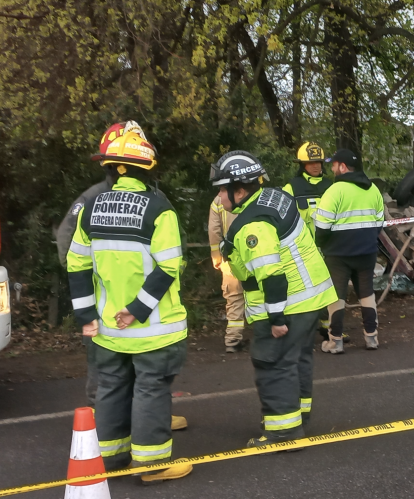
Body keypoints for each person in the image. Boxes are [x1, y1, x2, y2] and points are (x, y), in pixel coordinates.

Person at [66, 131, 192, 483]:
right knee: (150, 389)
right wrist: (137, 309)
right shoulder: (159, 210)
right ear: (146, 169)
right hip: (153, 329)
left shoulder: (90, 209)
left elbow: (76, 265)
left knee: (110, 387)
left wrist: (86, 317)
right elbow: (169, 266)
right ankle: (152, 467)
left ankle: (110, 456)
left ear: (113, 169)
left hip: (106, 329)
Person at [211, 150, 337, 447]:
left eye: (221, 190)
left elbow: (272, 275)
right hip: (310, 299)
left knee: (272, 363)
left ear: (239, 190)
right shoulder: (274, 197)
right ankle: (298, 416)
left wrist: (277, 319)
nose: (218, 198)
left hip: (287, 306)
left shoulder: (253, 225)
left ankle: (282, 431)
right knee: (298, 359)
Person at [314, 148, 385, 354]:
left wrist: (323, 245)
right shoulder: (372, 189)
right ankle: (371, 338)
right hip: (367, 251)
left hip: (338, 254)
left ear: (343, 167)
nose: (331, 168)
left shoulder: (334, 191)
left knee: (337, 296)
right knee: (367, 293)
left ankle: (335, 341)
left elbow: (322, 226)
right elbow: (379, 222)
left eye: (334, 165)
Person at [282, 141, 337, 339]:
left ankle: (329, 327)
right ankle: (301, 329)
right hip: (302, 250)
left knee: (329, 287)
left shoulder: (331, 186)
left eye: (319, 162)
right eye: (311, 163)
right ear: (302, 164)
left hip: (329, 247)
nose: (316, 166)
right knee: (303, 290)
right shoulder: (291, 187)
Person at [208, 195, 246, 353]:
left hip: (229, 256)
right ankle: (267, 336)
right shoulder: (254, 193)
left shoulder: (218, 200)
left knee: (234, 297)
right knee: (261, 296)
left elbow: (214, 230)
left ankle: (233, 339)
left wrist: (216, 256)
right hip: (256, 253)